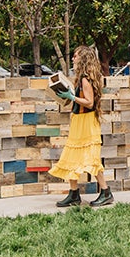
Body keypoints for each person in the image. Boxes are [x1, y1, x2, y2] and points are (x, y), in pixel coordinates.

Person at [49, 45, 114, 207]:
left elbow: (90, 102)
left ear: (83, 58)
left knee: (91, 159)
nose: (73, 58)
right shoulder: (82, 77)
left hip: (87, 122)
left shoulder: (85, 78)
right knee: (71, 157)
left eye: (76, 56)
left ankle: (106, 192)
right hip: (80, 121)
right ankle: (74, 194)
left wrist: (71, 97)